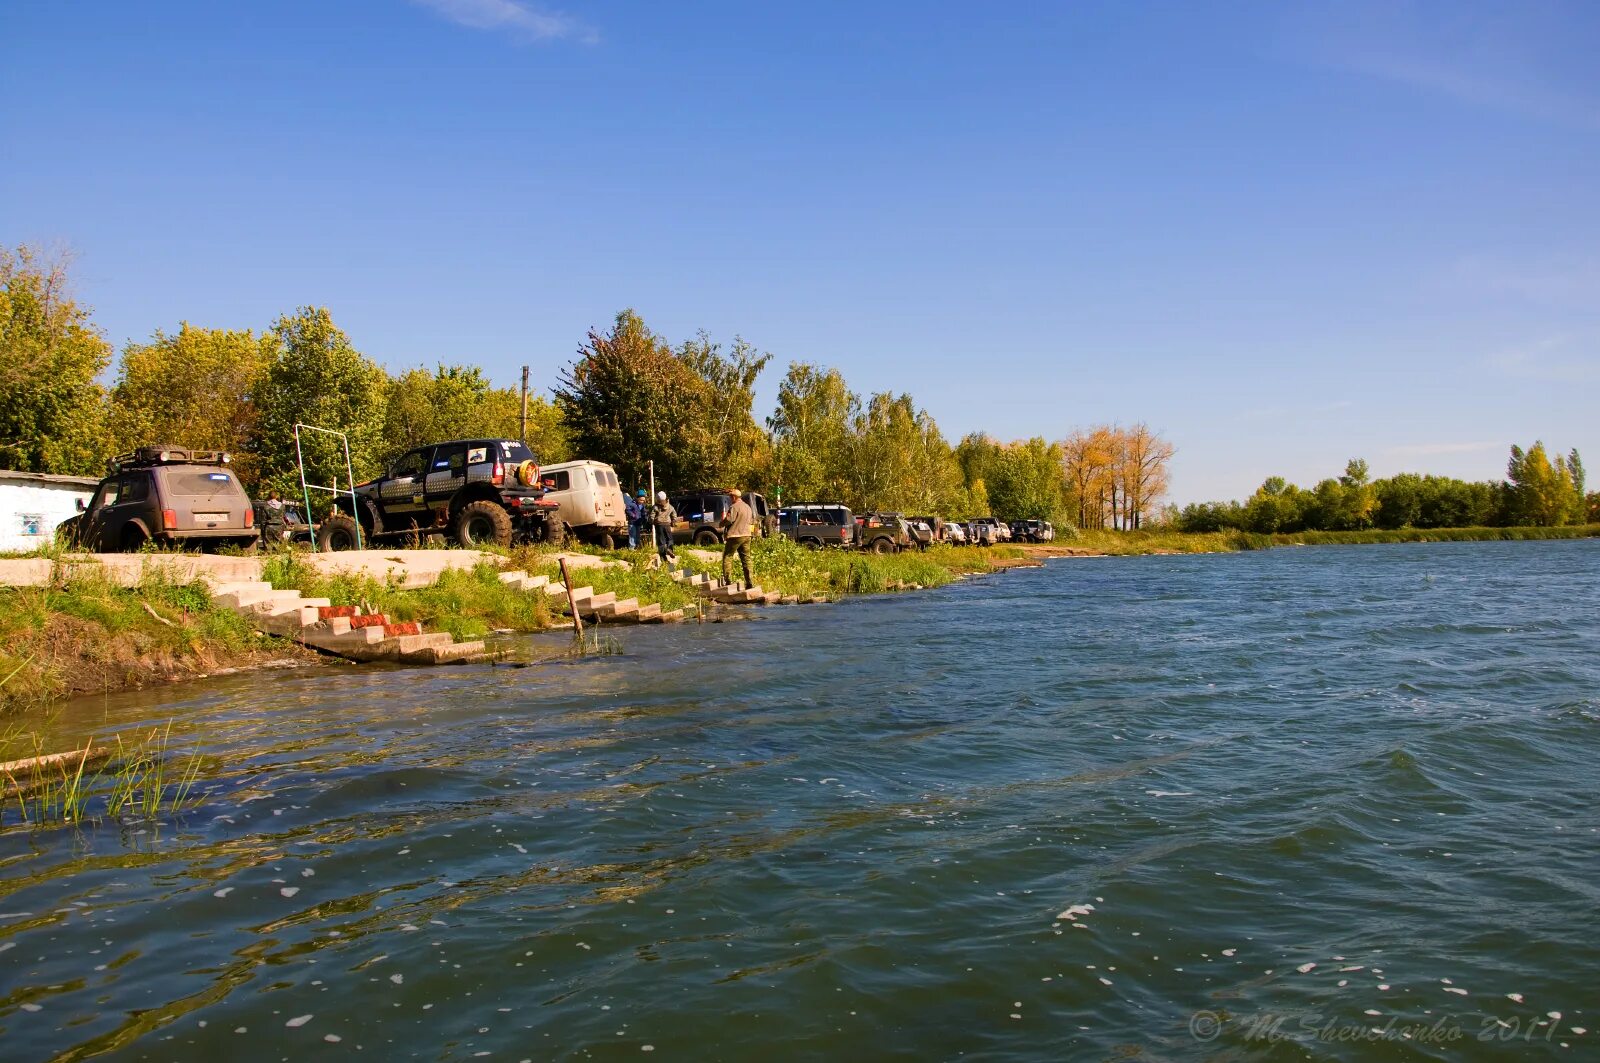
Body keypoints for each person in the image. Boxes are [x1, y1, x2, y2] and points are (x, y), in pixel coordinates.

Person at [719, 488, 755, 588]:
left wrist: (721, 523)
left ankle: (728, 581)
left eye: (731, 497)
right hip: (747, 535)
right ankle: (750, 582)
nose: (730, 499)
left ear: (734, 497)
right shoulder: (748, 507)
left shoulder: (734, 507)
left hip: (735, 535)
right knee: (746, 559)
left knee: (728, 557)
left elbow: (729, 520)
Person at [650, 490, 678, 568]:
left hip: (659, 525)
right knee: (669, 539)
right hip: (667, 525)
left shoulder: (655, 507)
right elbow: (674, 515)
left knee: (661, 542)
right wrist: (673, 520)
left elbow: (651, 516)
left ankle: (664, 558)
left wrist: (652, 521)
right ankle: (670, 550)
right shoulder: (670, 506)